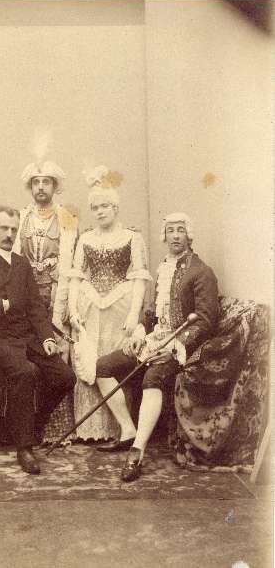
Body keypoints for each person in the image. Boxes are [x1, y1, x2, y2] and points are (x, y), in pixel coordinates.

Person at [94, 212, 219, 481]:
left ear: (189, 235)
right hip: (155, 340)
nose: (175, 236)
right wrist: (141, 332)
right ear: (165, 236)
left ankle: (137, 451)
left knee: (152, 378)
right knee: (102, 367)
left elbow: (206, 320)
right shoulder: (163, 268)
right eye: (170, 230)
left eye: (180, 230)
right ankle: (128, 431)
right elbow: (153, 313)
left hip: (182, 348)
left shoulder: (201, 272)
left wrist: (174, 346)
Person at [0, 206, 76, 474]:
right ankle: (25, 447)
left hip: (25, 336)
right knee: (25, 372)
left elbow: (35, 306)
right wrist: (2, 304)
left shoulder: (22, 264)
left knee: (64, 377)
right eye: (3, 228)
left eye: (13, 229)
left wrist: (46, 337)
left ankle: (31, 426)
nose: (9, 234)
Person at [67, 167, 151, 443]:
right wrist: (73, 310)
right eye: (95, 208)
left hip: (120, 306)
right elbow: (76, 277)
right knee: (91, 360)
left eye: (105, 206)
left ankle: (121, 428)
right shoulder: (86, 238)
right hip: (90, 306)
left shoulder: (131, 237)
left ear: (115, 207)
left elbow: (139, 279)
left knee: (113, 363)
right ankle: (92, 428)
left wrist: (133, 314)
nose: (100, 211)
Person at [13, 160, 79, 442]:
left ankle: (55, 428)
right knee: (32, 358)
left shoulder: (67, 217)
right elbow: (16, 259)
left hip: (55, 295)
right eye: (36, 182)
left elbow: (70, 262)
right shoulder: (22, 217)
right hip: (27, 299)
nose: (41, 187)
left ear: (55, 186)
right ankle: (27, 424)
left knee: (56, 355)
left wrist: (61, 306)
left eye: (46, 182)